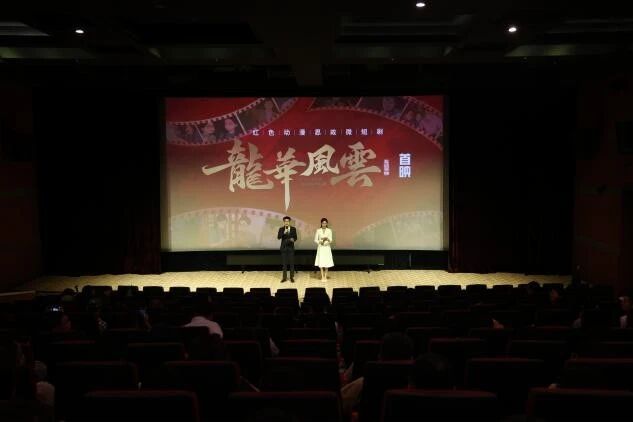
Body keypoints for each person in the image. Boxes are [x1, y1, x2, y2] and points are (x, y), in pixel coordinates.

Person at [277, 216, 297, 283]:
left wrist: (293, 239)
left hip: (291, 248)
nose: (286, 222)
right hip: (284, 248)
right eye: (285, 221)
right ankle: (284, 277)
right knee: (284, 264)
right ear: (284, 222)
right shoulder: (281, 229)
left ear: (289, 222)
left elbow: (295, 237)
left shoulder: (293, 229)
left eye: (287, 221)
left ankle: (291, 277)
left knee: (291, 263)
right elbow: (278, 237)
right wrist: (283, 232)